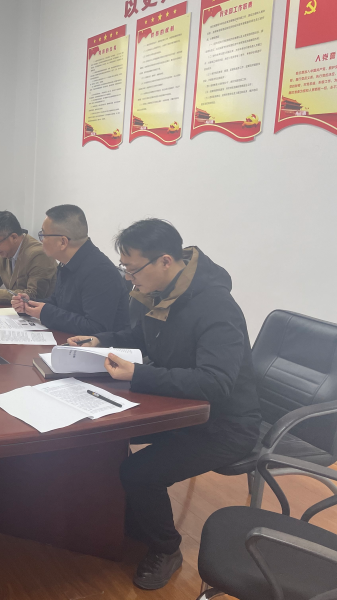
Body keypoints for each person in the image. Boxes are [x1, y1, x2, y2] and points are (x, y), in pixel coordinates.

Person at [66, 219, 261, 590]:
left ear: (166, 261)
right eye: (124, 268)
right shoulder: (159, 291)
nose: (128, 278)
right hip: (180, 407)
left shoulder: (216, 307)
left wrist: (138, 374)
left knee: (138, 472)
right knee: (103, 438)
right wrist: (100, 339)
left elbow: (215, 383)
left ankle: (166, 548)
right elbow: (140, 336)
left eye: (132, 269)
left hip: (225, 425)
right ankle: (132, 517)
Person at [11, 205, 129, 334]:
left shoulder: (100, 272)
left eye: (43, 235)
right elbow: (58, 302)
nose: (41, 241)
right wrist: (29, 304)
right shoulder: (67, 263)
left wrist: (45, 313)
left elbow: (96, 328)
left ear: (63, 242)